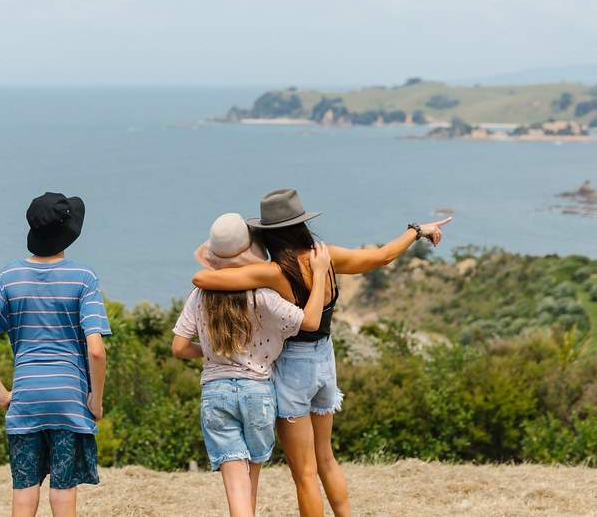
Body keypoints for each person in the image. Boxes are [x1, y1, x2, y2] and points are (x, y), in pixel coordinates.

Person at [193, 188, 451, 517]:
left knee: (304, 473)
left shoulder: (273, 272)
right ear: (301, 225)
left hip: (292, 371)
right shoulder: (326, 256)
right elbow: (382, 256)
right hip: (325, 362)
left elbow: (202, 278)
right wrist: (416, 231)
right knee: (326, 459)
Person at [172, 213, 331, 517]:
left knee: (235, 487)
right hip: (257, 392)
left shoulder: (200, 294)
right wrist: (320, 273)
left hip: (216, 393)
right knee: (251, 478)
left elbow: (179, 347)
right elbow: (311, 321)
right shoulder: (264, 296)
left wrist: (210, 352)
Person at [0, 192, 110, 517]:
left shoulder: (9, 277)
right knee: (62, 493)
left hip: (26, 399)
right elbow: (97, 351)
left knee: (24, 493)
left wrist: (3, 395)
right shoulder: (83, 279)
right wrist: (96, 401)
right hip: (69, 400)